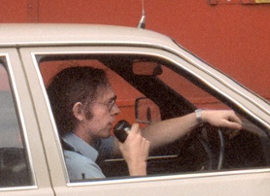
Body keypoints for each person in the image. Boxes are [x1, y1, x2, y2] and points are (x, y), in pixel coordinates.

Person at [46, 65, 242, 180]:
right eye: (108, 104)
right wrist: (137, 164)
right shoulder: (80, 167)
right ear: (79, 111)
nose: (116, 111)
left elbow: (145, 137)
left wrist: (200, 117)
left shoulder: (79, 144)